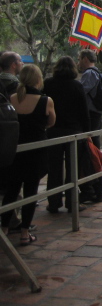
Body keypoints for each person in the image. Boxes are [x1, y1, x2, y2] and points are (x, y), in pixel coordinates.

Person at [1, 64, 55, 246]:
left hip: (15, 150)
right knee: (31, 191)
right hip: (36, 150)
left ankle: (4, 228)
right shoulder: (45, 100)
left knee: (12, 190)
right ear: (38, 79)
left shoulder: (12, 98)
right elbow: (51, 121)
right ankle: (25, 232)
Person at [43, 56, 91, 213]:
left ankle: (54, 202)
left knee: (54, 169)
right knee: (73, 169)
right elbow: (84, 112)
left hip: (54, 130)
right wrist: (87, 132)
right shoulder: (77, 86)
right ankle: (72, 202)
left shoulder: (48, 84)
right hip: (73, 132)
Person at [77, 49, 102, 203]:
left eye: (79, 59)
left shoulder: (89, 74)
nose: (78, 62)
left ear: (85, 59)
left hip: (91, 117)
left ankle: (94, 190)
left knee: (90, 153)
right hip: (96, 116)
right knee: (93, 151)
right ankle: (96, 190)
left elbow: (80, 93)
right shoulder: (97, 72)